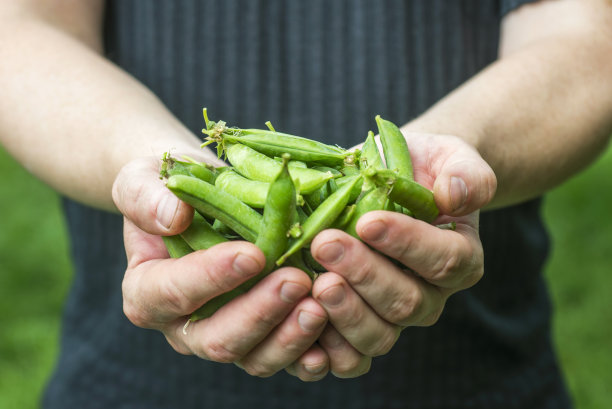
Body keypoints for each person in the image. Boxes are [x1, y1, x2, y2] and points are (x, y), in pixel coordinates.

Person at [1, 0, 611, 408]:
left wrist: (460, 148)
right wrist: (148, 161)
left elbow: (588, 43)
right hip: (129, 384)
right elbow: (22, 29)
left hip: (477, 378)